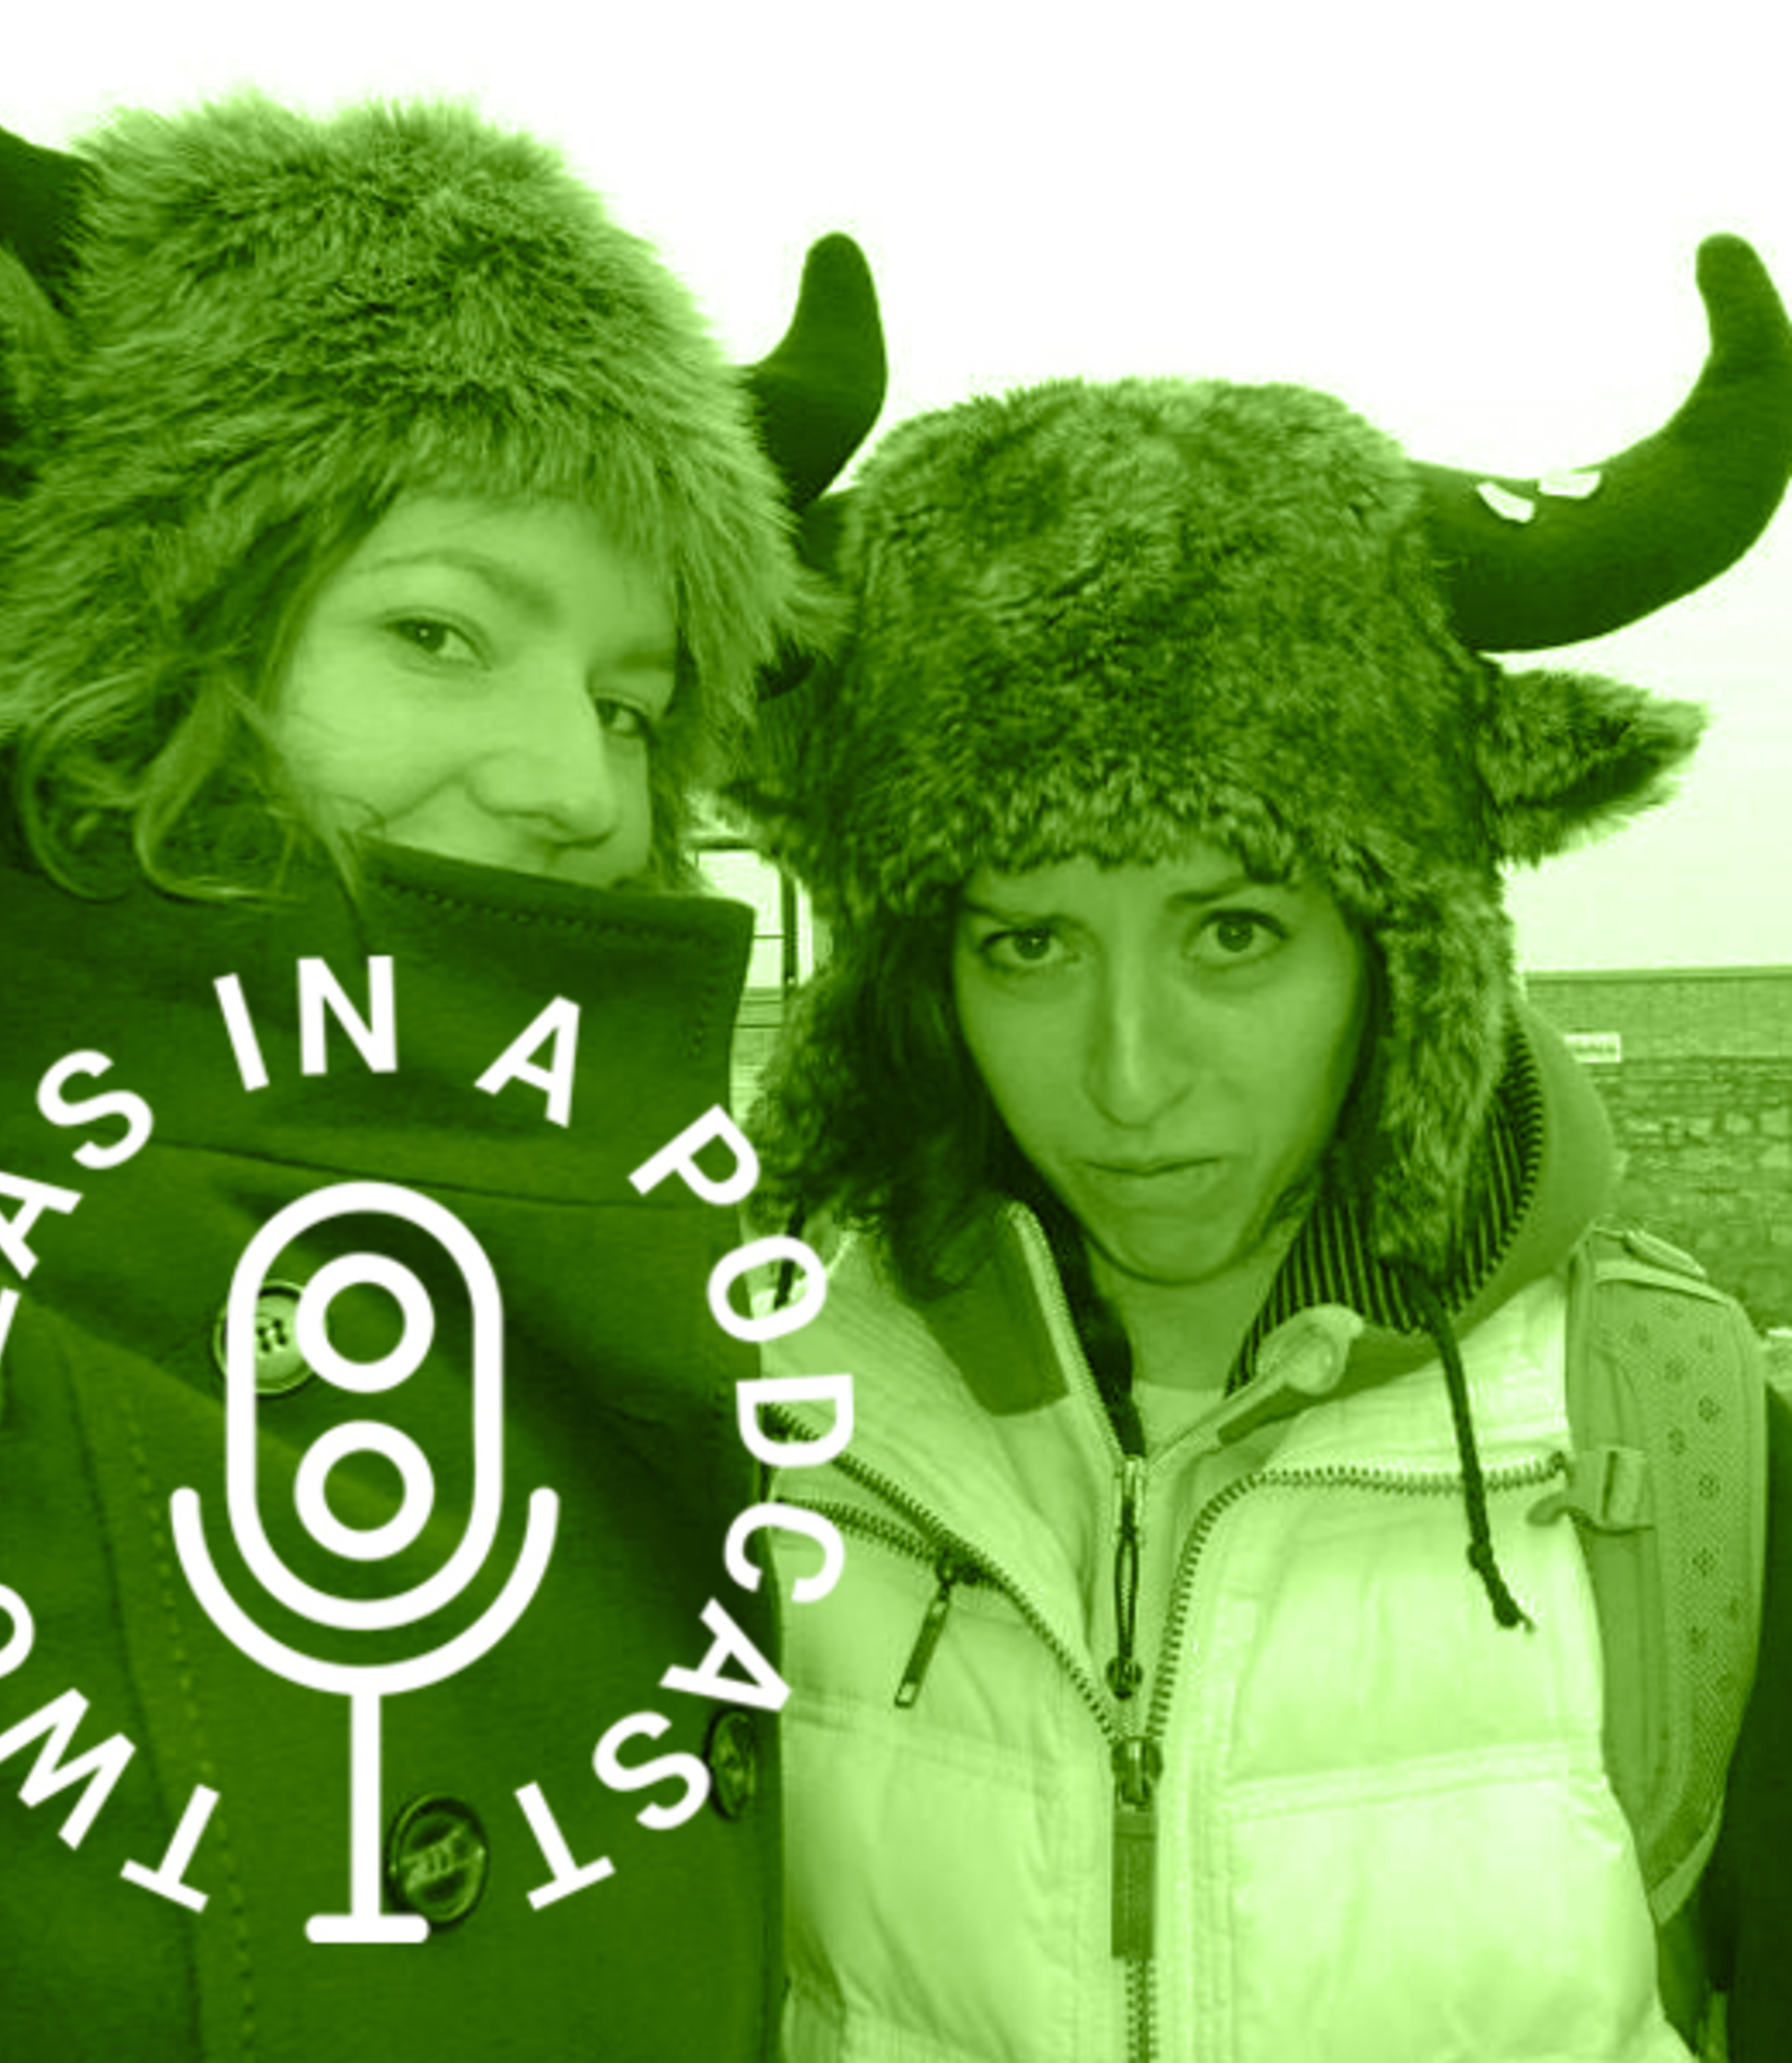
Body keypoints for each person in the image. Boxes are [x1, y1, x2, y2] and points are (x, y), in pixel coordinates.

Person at [0, 5, 884, 2059]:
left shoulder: (711, 1320)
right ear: (145, 628)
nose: (573, 787)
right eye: (440, 632)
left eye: (632, 703)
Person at [741, 272, 1792, 2062]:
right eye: (1027, 944)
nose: (1129, 1078)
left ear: (1405, 951)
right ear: (917, 970)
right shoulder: (759, 1415)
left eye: (1233, 932)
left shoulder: (1682, 1449)